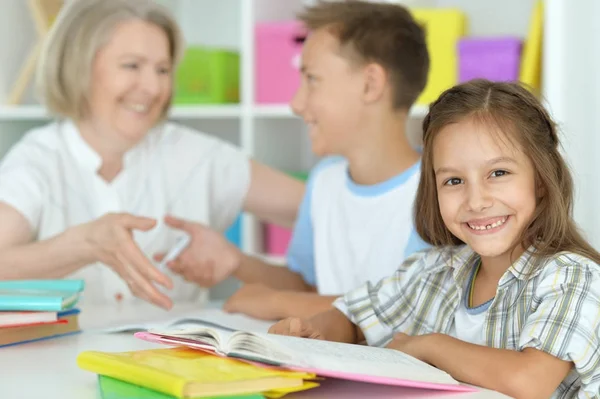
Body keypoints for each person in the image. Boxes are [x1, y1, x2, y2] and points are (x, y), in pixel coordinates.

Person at [269, 80, 600, 398]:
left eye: (498, 173)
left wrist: (429, 345)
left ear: (541, 180)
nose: (476, 200)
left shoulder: (573, 277)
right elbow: (352, 317)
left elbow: (529, 381)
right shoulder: (431, 272)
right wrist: (312, 334)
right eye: (454, 180)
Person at [0, 0, 303, 310]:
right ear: (78, 66)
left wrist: (238, 261)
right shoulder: (38, 160)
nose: (153, 87)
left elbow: (319, 207)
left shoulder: (194, 155)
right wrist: (83, 245)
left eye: (163, 69)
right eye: (132, 65)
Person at [161, 0, 430, 320]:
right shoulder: (325, 181)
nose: (296, 103)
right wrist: (236, 261)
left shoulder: (436, 190)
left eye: (312, 79)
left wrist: (277, 303)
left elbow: (404, 309)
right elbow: (307, 288)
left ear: (370, 84)